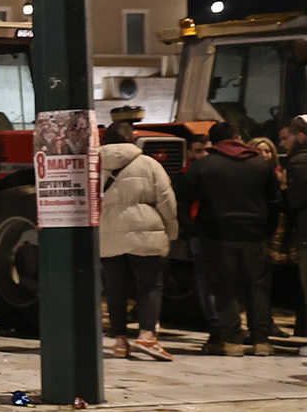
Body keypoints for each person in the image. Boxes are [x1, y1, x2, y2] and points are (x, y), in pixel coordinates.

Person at [180, 122, 282, 356]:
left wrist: (193, 230)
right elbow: (275, 202)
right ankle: (261, 341)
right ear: (237, 137)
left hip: (217, 235)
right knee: (258, 287)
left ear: (212, 142)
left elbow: (181, 200)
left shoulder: (204, 165)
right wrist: (268, 230)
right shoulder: (260, 164)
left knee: (224, 287)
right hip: (255, 234)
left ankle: (232, 340)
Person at [99, 121, 178, 360]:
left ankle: (120, 341)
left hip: (108, 233)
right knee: (151, 286)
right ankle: (146, 336)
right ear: (132, 139)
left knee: (115, 290)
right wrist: (171, 232)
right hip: (146, 232)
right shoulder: (149, 164)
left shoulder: (94, 166)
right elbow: (167, 201)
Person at [281, 116, 307, 340]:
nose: (283, 144)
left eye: (286, 137)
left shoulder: (298, 162)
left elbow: (297, 201)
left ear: (301, 137)